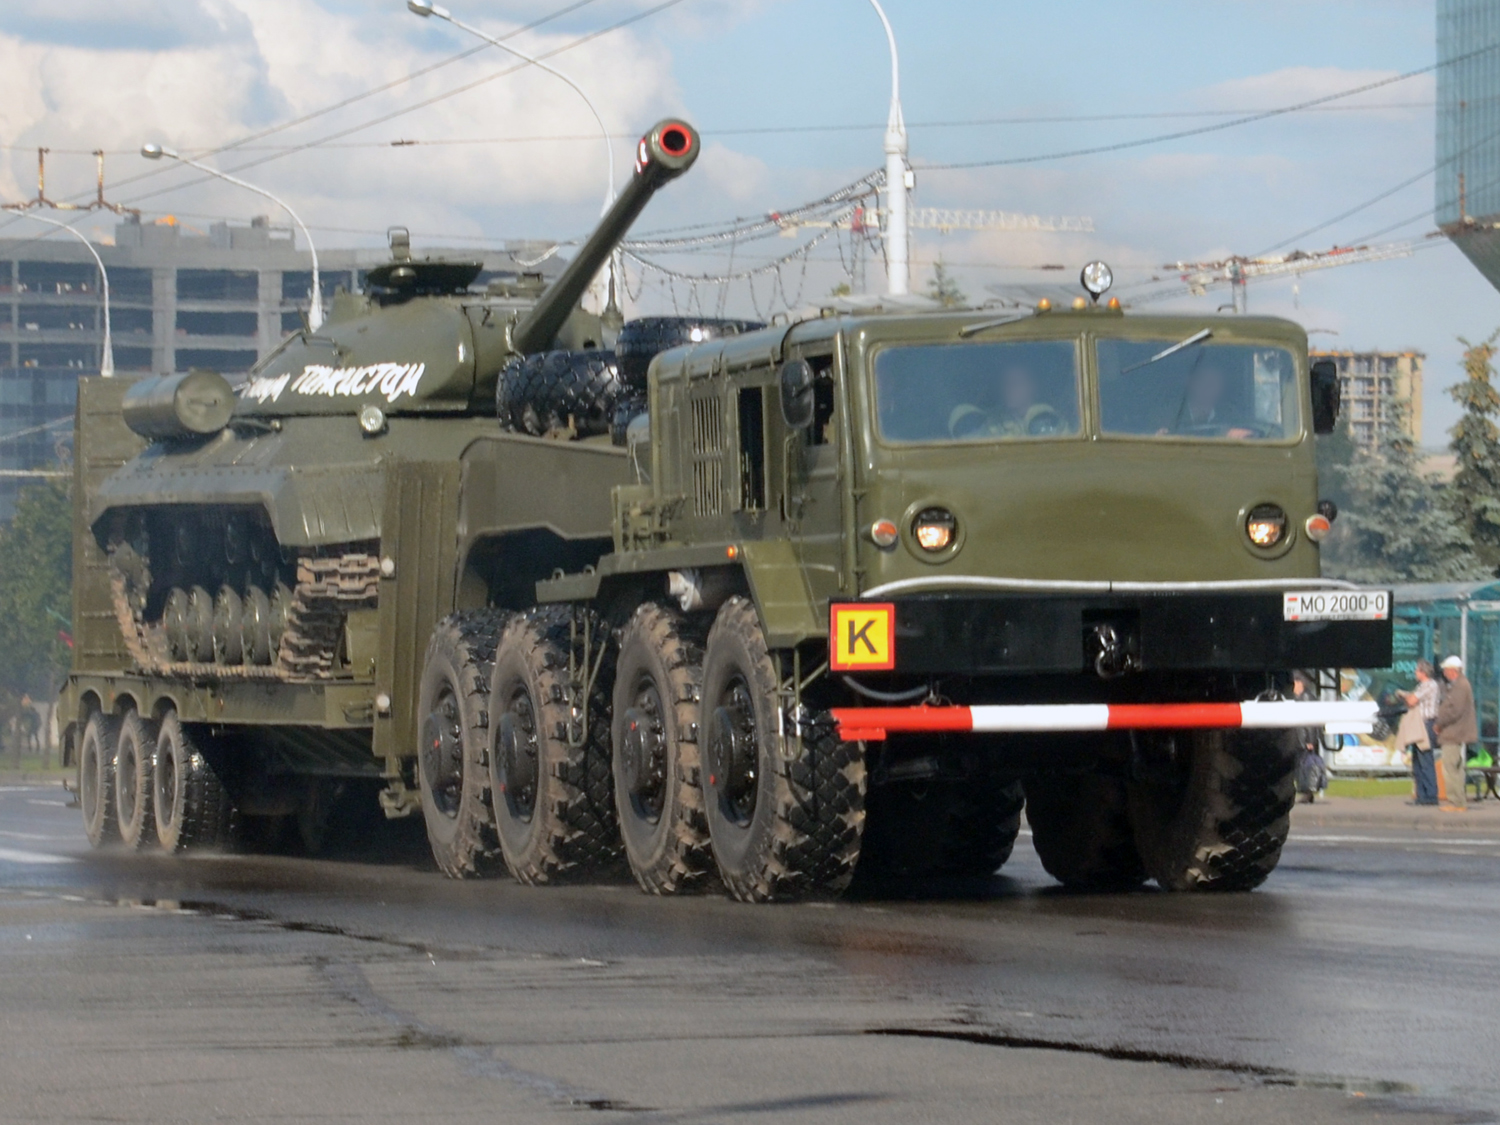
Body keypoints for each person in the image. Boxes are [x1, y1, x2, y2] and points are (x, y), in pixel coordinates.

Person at [948, 365, 1063, 439]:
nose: (1009, 388)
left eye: (1016, 383)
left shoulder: (1051, 420)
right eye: (1006, 383)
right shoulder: (987, 421)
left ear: (1033, 386)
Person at [1434, 655, 1478, 812]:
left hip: (1453, 732)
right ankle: (1459, 801)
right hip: (1455, 731)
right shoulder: (1459, 685)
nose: (1444, 673)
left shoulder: (1460, 686)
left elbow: (1454, 711)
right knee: (1455, 768)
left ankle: (1455, 802)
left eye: (1446, 670)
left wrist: (1439, 723)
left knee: (1450, 768)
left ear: (1453, 670)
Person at [1398, 662, 1440, 806]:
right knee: (1417, 761)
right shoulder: (1421, 686)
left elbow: (1412, 700)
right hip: (1418, 724)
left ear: (1423, 672)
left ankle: (1431, 795)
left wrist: (1404, 696)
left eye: (1417, 670)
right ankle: (1421, 794)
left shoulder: (1429, 685)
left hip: (1426, 725)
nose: (1415, 672)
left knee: (1425, 760)